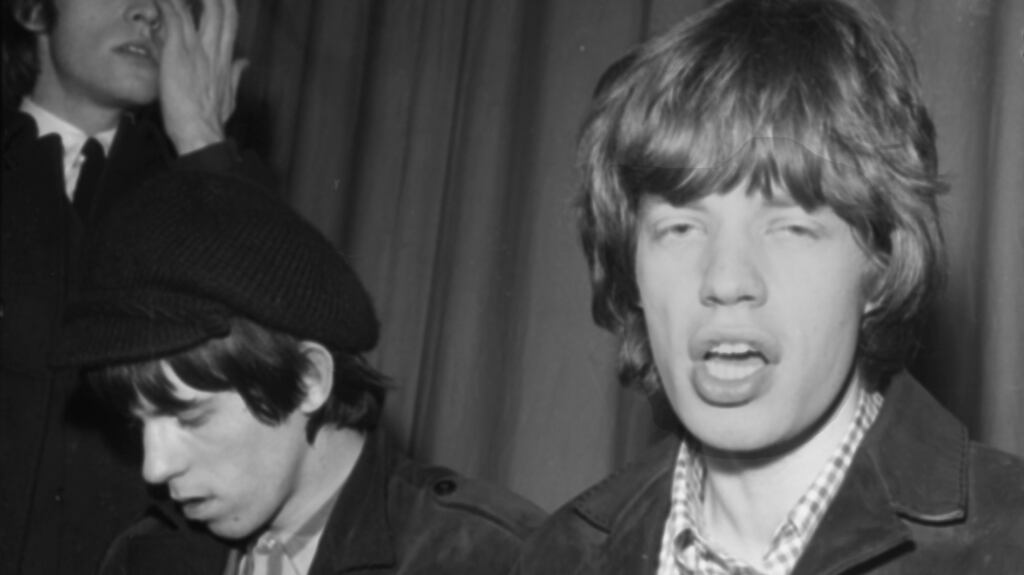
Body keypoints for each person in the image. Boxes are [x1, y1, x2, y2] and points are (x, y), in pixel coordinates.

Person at [514, 0, 1024, 573]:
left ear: (881, 267)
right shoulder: (554, 557)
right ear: (632, 268)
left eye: (790, 228)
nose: (726, 281)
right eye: (680, 228)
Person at [53, 169, 546, 574]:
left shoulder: (493, 559)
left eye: (190, 416)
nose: (154, 467)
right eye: (140, 423)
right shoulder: (142, 560)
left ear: (310, 379)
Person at [1, 0, 257, 572]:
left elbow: (263, 374)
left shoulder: (205, 189)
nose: (149, 12)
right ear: (33, 11)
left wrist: (201, 140)